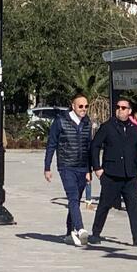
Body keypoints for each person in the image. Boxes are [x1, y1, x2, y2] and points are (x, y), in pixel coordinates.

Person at [89, 98, 137, 247]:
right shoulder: (107, 127)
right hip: (111, 174)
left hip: (130, 175)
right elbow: (95, 146)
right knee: (104, 205)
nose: (120, 110)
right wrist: (97, 168)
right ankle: (95, 234)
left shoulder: (134, 128)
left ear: (129, 111)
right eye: (118, 107)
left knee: (133, 207)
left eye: (123, 108)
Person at [44, 94, 93, 247]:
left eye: (86, 106)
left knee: (75, 201)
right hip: (66, 166)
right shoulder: (60, 121)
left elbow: (89, 147)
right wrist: (47, 167)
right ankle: (80, 229)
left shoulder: (87, 122)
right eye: (80, 106)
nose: (84, 109)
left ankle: (68, 233)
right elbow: (51, 144)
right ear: (73, 106)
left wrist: (89, 170)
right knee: (72, 198)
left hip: (82, 167)